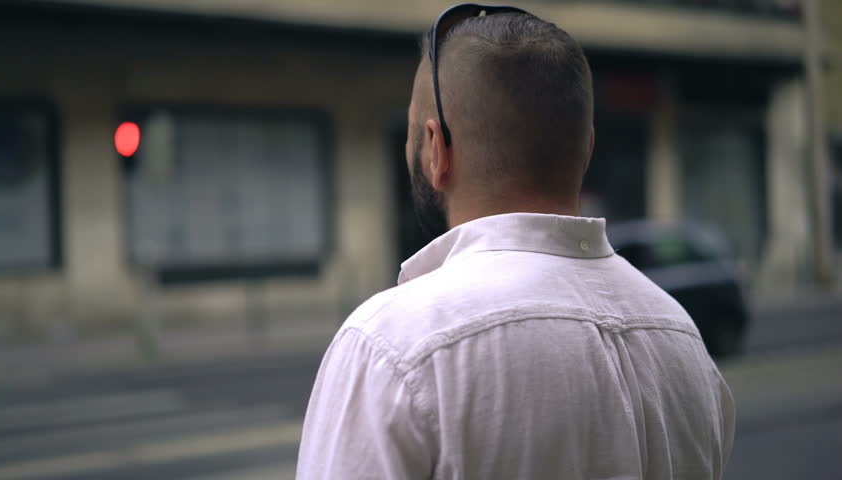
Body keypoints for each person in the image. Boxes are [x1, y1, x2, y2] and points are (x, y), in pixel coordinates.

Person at [296, 4, 735, 479]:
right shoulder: (683, 338)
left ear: (436, 150)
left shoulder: (394, 347)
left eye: (413, 137)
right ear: (586, 150)